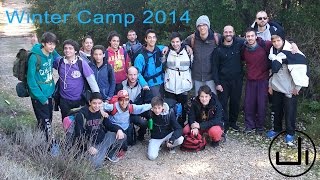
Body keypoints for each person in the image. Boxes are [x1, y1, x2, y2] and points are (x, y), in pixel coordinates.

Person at [266, 31, 309, 145]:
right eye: (274, 41)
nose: (276, 43)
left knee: (290, 111)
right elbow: (271, 71)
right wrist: (270, 85)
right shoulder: (272, 53)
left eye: (278, 40)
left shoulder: (293, 52)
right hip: (276, 86)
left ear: (283, 40)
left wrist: (298, 87)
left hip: (289, 88)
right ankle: (276, 129)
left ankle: (290, 132)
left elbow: (301, 70)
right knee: (276, 109)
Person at [74, 92, 126, 168]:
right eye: (94, 103)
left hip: (103, 140)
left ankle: (110, 154)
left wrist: (118, 129)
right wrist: (88, 146)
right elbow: (79, 134)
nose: (97, 106)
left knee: (123, 136)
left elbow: (109, 125)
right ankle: (94, 156)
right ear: (89, 102)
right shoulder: (81, 115)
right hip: (91, 144)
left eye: (99, 103)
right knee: (96, 165)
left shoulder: (101, 113)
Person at [54, 39, 100, 119]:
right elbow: (49, 56)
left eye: (70, 48)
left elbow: (91, 80)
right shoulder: (60, 62)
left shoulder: (81, 63)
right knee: (66, 121)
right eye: (65, 48)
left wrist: (97, 96)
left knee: (79, 121)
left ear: (75, 51)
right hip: (64, 100)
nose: (67, 50)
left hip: (79, 99)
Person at [27, 32, 60, 140]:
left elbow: (58, 57)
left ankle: (41, 141)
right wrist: (41, 97)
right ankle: (51, 146)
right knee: (46, 122)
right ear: (43, 44)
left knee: (47, 120)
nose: (52, 46)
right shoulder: (34, 58)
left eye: (54, 44)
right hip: (39, 96)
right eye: (49, 44)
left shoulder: (50, 52)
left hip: (49, 93)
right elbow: (31, 80)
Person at [213, 25, 245, 133]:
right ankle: (224, 123)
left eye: (230, 32)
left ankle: (233, 122)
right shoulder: (218, 50)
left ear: (233, 33)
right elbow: (214, 68)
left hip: (237, 80)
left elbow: (253, 40)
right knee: (223, 103)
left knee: (235, 102)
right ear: (223, 33)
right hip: (223, 81)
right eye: (226, 32)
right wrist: (217, 83)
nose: (228, 34)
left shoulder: (239, 45)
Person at [241, 28, 272, 134]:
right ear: (245, 37)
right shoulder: (244, 48)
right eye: (248, 36)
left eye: (252, 36)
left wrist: (292, 44)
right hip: (250, 79)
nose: (250, 38)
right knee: (249, 104)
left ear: (256, 36)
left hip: (263, 79)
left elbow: (279, 42)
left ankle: (260, 126)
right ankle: (249, 125)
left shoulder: (265, 44)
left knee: (261, 104)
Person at [103, 89, 152, 156]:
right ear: (118, 100)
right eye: (121, 100)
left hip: (125, 127)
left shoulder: (130, 107)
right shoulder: (113, 107)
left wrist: (153, 105)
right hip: (115, 129)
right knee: (120, 144)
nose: (124, 102)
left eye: (126, 100)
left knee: (128, 144)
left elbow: (141, 107)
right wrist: (102, 112)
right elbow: (101, 105)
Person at [184, 15, 220, 95]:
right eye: (199, 25)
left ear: (208, 26)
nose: (202, 27)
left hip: (211, 77)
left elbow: (230, 41)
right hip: (197, 76)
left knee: (212, 100)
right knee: (199, 100)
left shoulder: (216, 37)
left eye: (204, 25)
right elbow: (179, 44)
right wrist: (187, 46)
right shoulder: (192, 38)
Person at [164, 32, 193, 126]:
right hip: (170, 85)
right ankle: (171, 126)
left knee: (183, 107)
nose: (175, 44)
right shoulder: (167, 52)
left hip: (183, 84)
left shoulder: (188, 52)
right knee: (171, 107)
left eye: (177, 41)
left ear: (181, 41)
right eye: (173, 42)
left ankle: (181, 126)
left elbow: (192, 65)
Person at [118, 66, 153, 141]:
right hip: (126, 112)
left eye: (135, 74)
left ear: (138, 75)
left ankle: (142, 134)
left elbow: (148, 102)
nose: (133, 77)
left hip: (139, 110)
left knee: (145, 120)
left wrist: (145, 113)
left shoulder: (144, 87)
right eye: (130, 74)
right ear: (126, 75)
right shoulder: (121, 86)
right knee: (130, 141)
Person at [134, 29, 166, 98]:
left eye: (154, 37)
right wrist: (144, 84)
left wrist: (167, 48)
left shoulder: (159, 49)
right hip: (150, 85)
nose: (152, 39)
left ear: (156, 39)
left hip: (163, 82)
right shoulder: (141, 57)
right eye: (149, 37)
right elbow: (136, 73)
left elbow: (169, 47)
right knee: (156, 106)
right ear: (146, 39)